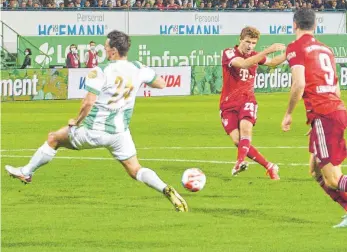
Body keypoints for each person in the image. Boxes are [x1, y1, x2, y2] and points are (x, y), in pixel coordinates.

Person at [5, 30, 188, 213]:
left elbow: (89, 102)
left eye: (106, 46)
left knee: (54, 138)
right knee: (135, 169)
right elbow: (161, 83)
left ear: (114, 50)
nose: (105, 49)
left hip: (94, 131)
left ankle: (26, 172)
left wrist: (76, 121)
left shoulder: (101, 71)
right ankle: (164, 188)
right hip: (120, 133)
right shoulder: (138, 68)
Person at [282, 8, 347, 228]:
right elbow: (336, 88)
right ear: (315, 25)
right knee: (316, 171)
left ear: (294, 25)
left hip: (324, 112)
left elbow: (299, 84)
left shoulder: (295, 47)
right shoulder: (326, 49)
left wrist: (289, 114)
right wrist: (316, 122)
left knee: (332, 178)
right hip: (333, 111)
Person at [220, 26, 286, 179]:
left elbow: (274, 62)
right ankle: (270, 166)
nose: (250, 46)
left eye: (253, 43)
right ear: (240, 40)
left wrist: (292, 52)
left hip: (247, 99)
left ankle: (239, 162)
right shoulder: (229, 53)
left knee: (246, 128)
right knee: (237, 140)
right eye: (247, 42)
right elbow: (243, 64)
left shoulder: (256, 55)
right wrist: (267, 50)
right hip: (228, 104)